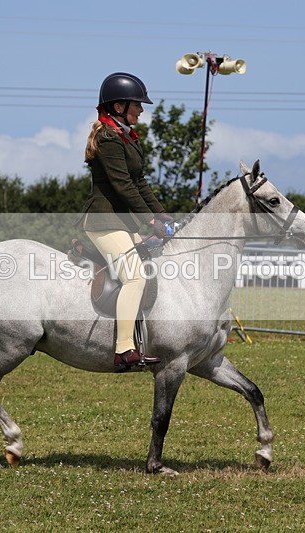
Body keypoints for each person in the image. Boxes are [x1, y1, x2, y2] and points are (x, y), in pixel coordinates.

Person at [80, 72, 173, 372]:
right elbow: (123, 186)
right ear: (119, 106)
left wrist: (162, 214)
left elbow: (140, 182)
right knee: (135, 277)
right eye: (137, 105)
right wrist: (149, 221)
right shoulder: (108, 139)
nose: (141, 111)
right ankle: (123, 350)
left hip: (121, 224)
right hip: (103, 222)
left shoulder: (126, 137)